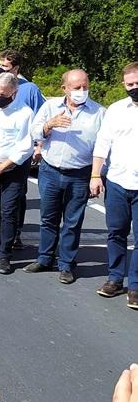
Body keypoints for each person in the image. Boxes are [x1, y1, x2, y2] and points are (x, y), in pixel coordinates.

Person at [25, 69, 105, 284]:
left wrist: (97, 176)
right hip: (50, 171)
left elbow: (104, 147)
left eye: (85, 87)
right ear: (65, 89)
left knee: (72, 222)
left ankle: (66, 264)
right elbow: (33, 132)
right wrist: (48, 125)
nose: (81, 91)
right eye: (76, 87)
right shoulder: (51, 107)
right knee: (48, 218)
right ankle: (44, 258)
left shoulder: (99, 113)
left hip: (80, 174)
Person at [0, 49, 45, 249]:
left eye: (5, 66)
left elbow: (36, 122)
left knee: (13, 202)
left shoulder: (30, 90)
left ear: (16, 68)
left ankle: (13, 236)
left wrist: (38, 146)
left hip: (15, 163)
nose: (0, 69)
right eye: (0, 65)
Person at [90, 62, 138, 309]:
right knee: (116, 232)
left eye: (137, 83)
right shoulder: (117, 110)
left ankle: (136, 287)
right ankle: (115, 278)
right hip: (118, 182)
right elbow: (102, 144)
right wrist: (95, 176)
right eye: (130, 84)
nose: (134, 88)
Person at [0, 73, 34, 274]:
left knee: (8, 211)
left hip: (12, 170)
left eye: (3, 94)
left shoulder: (25, 113)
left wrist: (2, 167)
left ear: (14, 93)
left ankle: (5, 254)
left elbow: (26, 146)